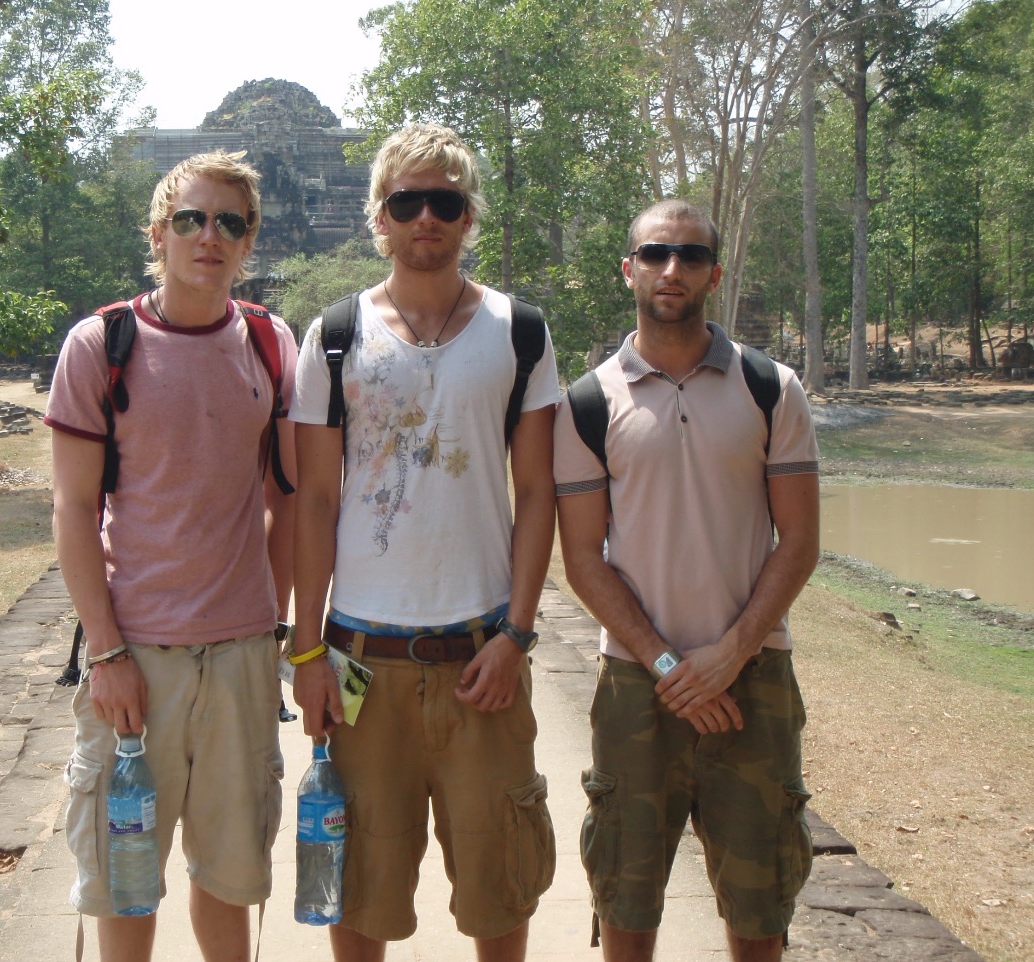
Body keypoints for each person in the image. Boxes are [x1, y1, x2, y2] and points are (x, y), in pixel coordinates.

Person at [290, 123, 560, 962]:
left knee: (500, 889)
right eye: (407, 202)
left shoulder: (519, 332)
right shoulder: (335, 335)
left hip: (484, 659)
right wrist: (307, 652)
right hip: (362, 666)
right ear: (380, 217)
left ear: (469, 215)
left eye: (445, 201)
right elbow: (314, 503)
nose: (427, 218)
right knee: (360, 895)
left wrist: (517, 635)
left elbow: (537, 493)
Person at [553, 199, 821, 962]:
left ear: (714, 273)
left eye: (692, 256)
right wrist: (670, 665)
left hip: (754, 679)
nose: (673, 269)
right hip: (637, 684)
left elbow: (800, 540)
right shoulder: (587, 403)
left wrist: (729, 655)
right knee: (626, 895)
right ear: (628, 268)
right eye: (656, 253)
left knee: (760, 903)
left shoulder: (770, 388)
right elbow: (583, 558)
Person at [46, 150, 296, 962]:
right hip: (138, 657)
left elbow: (286, 499)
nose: (209, 236)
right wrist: (106, 653)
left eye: (230, 222)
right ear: (159, 233)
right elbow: (73, 510)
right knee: (124, 879)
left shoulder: (269, 342)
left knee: (232, 876)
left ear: (248, 241)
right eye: (190, 219)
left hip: (240, 658)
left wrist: (272, 627)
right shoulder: (102, 343)